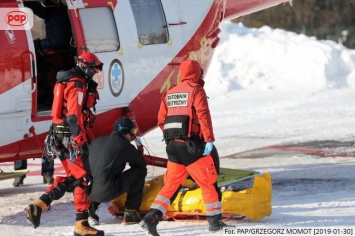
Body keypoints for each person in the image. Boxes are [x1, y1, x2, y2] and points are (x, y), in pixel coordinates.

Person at [139, 60, 226, 236]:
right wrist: (208, 139)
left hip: (173, 147)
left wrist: (174, 137)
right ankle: (215, 224)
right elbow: (203, 114)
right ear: (197, 73)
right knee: (208, 182)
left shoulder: (170, 92)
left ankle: (151, 218)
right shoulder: (196, 90)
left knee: (171, 185)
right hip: (192, 146)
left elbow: (161, 121)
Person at [24, 52, 104, 236]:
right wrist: (80, 141)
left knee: (75, 177)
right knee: (84, 177)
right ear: (86, 67)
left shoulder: (66, 81)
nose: (93, 74)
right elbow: (74, 117)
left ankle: (39, 205)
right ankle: (81, 225)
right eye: (93, 70)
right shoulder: (77, 85)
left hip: (58, 135)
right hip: (70, 137)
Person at [87, 116, 147, 225]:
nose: (132, 135)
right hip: (107, 191)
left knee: (101, 175)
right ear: (126, 132)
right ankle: (131, 213)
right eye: (132, 132)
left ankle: (90, 207)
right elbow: (141, 165)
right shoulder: (125, 145)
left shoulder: (96, 141)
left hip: (89, 192)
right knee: (140, 172)